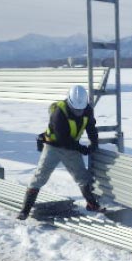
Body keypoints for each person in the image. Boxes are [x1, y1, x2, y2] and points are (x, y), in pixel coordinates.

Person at [17, 85, 104, 220]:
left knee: (82, 177)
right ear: (69, 102)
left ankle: (92, 205)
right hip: (54, 147)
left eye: (80, 110)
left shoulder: (87, 109)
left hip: (72, 147)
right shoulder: (59, 112)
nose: (78, 112)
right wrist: (82, 149)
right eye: (76, 110)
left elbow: (91, 127)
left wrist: (94, 143)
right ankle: (25, 210)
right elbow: (63, 139)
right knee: (40, 176)